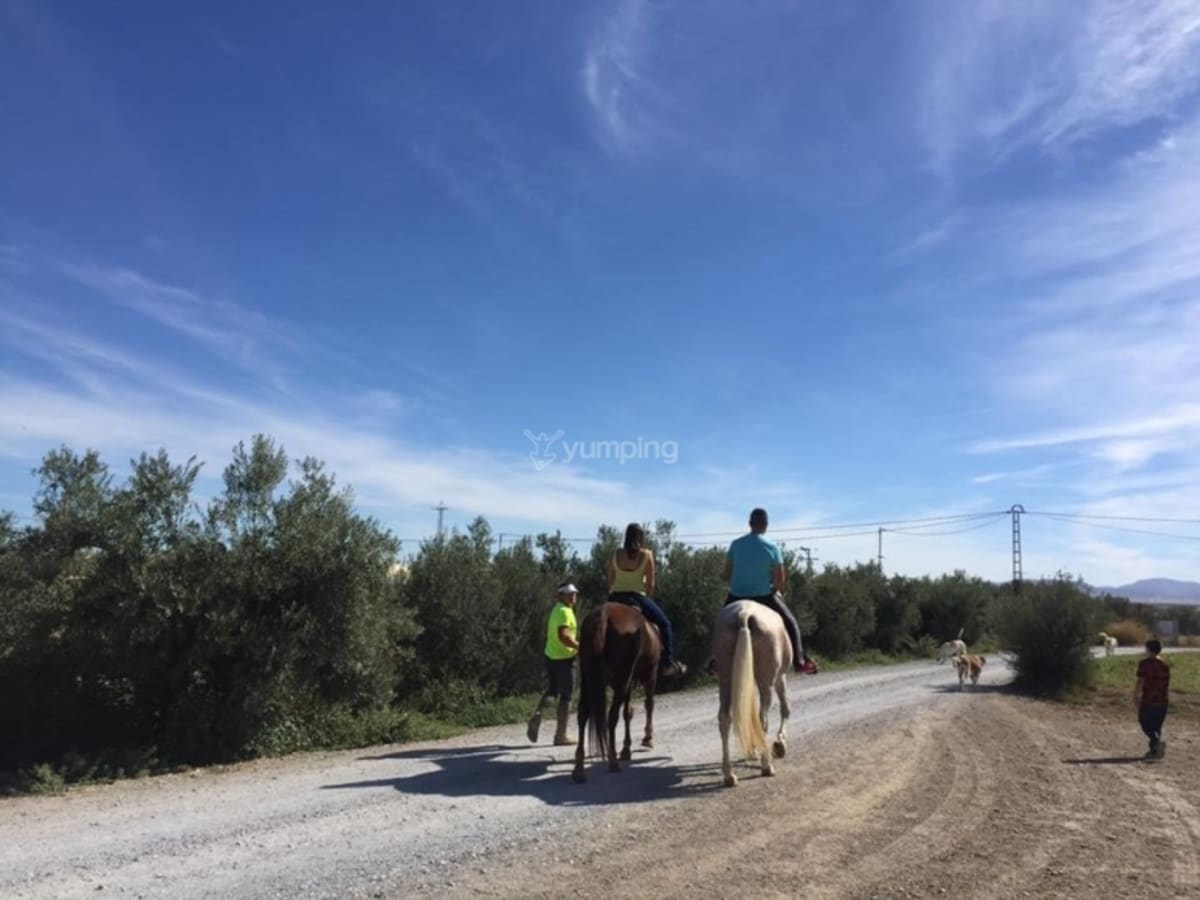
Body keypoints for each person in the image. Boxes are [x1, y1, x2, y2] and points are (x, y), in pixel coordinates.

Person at [718, 507, 817, 675]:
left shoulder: (735, 545)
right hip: (764, 596)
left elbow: (726, 575)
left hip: (736, 596)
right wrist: (777, 590)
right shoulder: (772, 547)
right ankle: (799, 662)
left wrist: (735, 579)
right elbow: (780, 580)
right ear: (766, 525)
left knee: (719, 624)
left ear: (750, 524)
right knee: (792, 623)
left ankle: (715, 661)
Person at [607, 523, 687, 678]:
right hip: (637, 596)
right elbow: (650, 584)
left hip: (615, 597)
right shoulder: (646, 555)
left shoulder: (616, 554)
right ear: (641, 538)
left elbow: (609, 580)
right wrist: (646, 598)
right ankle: (668, 664)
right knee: (665, 624)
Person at [527, 582, 581, 746]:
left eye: (574, 593)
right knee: (567, 696)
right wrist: (580, 646)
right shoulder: (564, 612)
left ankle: (538, 714)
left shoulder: (557, 609)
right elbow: (564, 636)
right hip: (564, 660)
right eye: (569, 593)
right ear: (561, 595)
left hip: (551, 656)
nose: (573, 596)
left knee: (552, 690)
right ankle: (560, 735)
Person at [1134, 638, 1171, 760]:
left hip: (1149, 699)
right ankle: (1154, 751)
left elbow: (1141, 681)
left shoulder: (1144, 664)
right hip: (1163, 700)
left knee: (1144, 722)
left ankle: (1156, 743)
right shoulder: (1165, 665)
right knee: (1156, 726)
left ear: (1149, 649)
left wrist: (1136, 695)